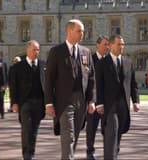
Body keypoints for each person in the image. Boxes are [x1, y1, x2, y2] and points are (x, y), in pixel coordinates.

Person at [45, 19, 95, 160]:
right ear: (69, 31)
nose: (82, 34)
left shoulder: (86, 52)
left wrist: (91, 100)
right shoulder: (56, 52)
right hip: (64, 100)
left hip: (81, 100)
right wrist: (48, 103)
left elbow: (91, 78)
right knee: (68, 136)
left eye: (83, 31)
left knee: (75, 136)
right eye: (79, 31)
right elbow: (48, 79)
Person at [95, 35, 140, 160]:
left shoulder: (128, 62)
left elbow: (133, 84)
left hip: (123, 105)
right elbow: (98, 85)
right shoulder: (102, 63)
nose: (121, 47)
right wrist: (99, 103)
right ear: (110, 45)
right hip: (109, 106)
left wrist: (135, 101)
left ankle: (114, 155)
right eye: (119, 44)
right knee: (111, 133)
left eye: (123, 44)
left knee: (118, 134)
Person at [9, 40, 46, 160]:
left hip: (39, 103)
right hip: (25, 103)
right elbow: (13, 86)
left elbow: (48, 85)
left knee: (34, 130)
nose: (36, 52)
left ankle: (32, 153)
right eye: (34, 49)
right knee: (26, 129)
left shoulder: (43, 65)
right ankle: (27, 156)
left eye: (38, 49)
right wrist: (14, 102)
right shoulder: (18, 67)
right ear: (27, 50)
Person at [86, 35, 109, 160]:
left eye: (108, 44)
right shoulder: (89, 60)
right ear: (97, 45)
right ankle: (90, 152)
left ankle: (108, 151)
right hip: (93, 100)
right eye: (105, 44)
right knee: (91, 128)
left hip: (107, 101)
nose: (107, 47)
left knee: (107, 129)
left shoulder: (110, 60)